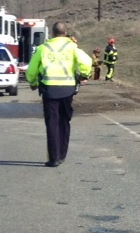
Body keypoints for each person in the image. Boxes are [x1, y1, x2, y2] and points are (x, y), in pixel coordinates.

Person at [26, 21, 92, 167]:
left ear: (53, 33)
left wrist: (33, 82)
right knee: (64, 122)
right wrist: (84, 75)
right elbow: (86, 62)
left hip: (49, 90)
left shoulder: (43, 48)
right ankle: (62, 154)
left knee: (52, 124)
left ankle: (54, 157)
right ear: (65, 32)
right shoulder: (72, 47)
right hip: (68, 90)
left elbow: (31, 69)